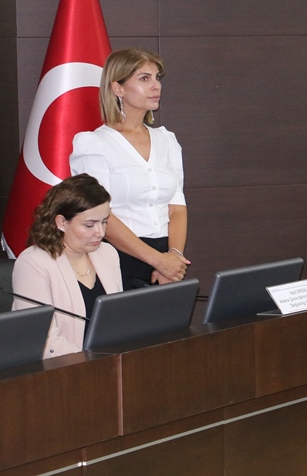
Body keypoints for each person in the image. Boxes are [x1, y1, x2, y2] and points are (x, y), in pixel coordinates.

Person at [70, 48, 189, 289]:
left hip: (166, 260)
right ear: (118, 88)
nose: (156, 86)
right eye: (144, 78)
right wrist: (158, 260)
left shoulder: (167, 140)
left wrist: (173, 258)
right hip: (118, 259)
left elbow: (177, 208)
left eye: (157, 78)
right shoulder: (94, 144)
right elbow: (100, 215)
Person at [12, 174, 122, 357]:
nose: (100, 232)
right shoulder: (33, 263)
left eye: (104, 222)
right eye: (89, 225)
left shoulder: (108, 254)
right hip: (61, 371)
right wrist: (95, 362)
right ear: (61, 222)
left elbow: (118, 323)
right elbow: (43, 340)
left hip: (107, 363)